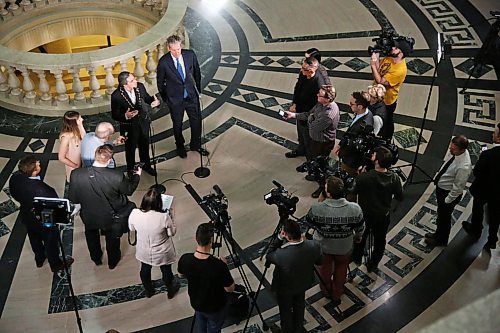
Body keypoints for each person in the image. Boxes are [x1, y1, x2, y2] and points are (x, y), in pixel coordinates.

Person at [69, 145, 140, 269]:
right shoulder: (116, 176)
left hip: (89, 215)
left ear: (95, 156)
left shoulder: (76, 174)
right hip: (111, 217)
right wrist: (137, 176)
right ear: (110, 160)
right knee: (112, 240)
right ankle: (112, 261)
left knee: (91, 237)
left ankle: (96, 258)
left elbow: (74, 198)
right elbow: (129, 190)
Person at [9, 155, 74, 272]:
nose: (40, 165)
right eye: (38, 165)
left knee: (34, 237)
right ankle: (55, 264)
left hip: (27, 215)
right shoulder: (43, 190)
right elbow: (55, 207)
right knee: (50, 241)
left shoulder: (15, 178)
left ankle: (39, 259)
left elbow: (14, 194)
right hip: (44, 219)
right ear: (34, 171)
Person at [307, 176, 364, 305]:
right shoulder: (355, 208)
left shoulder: (317, 208)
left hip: (324, 247)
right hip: (344, 246)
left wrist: (320, 202)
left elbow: (309, 223)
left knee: (325, 269)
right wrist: (358, 236)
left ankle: (326, 290)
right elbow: (360, 228)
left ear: (328, 193)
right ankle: (337, 292)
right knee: (342, 267)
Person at [351, 147, 403, 272]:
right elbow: (400, 196)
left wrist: (359, 177)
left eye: (374, 154)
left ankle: (357, 257)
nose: (372, 155)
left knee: (360, 237)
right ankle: (373, 263)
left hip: (365, 215)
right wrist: (391, 208)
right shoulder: (394, 178)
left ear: (377, 161)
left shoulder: (364, 178)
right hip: (382, 215)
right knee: (380, 240)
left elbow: (352, 192)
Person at [156, 35, 208, 159]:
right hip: (175, 100)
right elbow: (160, 83)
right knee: (177, 124)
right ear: (169, 48)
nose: (177, 52)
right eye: (174, 50)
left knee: (196, 121)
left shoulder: (190, 55)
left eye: (179, 49)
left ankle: (195, 144)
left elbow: (197, 73)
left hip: (191, 96)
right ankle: (180, 146)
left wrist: (197, 91)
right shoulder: (164, 62)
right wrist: (167, 99)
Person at [266, 219, 322, 333]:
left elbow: (269, 254)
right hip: (303, 282)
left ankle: (287, 330)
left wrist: (279, 238)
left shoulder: (281, 254)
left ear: (286, 235)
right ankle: (298, 328)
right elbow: (320, 262)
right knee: (299, 305)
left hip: (285, 288)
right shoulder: (314, 245)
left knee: (285, 310)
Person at [178, 223, 235, 333]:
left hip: (196, 303)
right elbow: (230, 288)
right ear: (211, 242)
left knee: (201, 324)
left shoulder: (185, 259)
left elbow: (180, 275)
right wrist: (223, 266)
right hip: (215, 307)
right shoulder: (218, 265)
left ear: (196, 238)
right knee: (214, 328)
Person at [128, 188, 180, 299]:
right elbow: (171, 233)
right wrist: (172, 218)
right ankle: (170, 291)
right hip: (162, 252)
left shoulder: (134, 213)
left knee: (145, 269)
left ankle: (148, 291)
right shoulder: (164, 217)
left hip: (144, 250)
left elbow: (131, 228)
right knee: (166, 270)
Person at [425, 135, 472, 247]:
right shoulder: (455, 153)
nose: (450, 150)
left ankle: (441, 240)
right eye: (450, 147)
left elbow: (458, 187)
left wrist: (447, 200)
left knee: (444, 218)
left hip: (448, 194)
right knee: (441, 215)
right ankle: (437, 234)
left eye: (453, 149)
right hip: (442, 189)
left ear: (462, 150)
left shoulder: (463, 166)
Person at [111, 71, 160, 176]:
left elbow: (147, 98)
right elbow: (114, 115)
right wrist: (126, 116)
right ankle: (131, 171)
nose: (136, 81)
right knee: (130, 149)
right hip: (129, 127)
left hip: (143, 122)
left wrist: (154, 102)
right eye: (132, 80)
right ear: (125, 84)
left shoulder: (140, 87)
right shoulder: (116, 95)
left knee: (144, 146)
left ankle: (146, 165)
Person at [462, 124, 500, 251]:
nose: (492, 135)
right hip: (498, 193)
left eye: (495, 133)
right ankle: (492, 240)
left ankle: (476, 229)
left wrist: (481, 157)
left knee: (478, 208)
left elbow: (477, 172)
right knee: (496, 215)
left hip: (484, 189)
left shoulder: (488, 154)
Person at [284, 85, 340, 172]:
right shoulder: (320, 104)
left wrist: (311, 118)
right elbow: (309, 114)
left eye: (320, 95)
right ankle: (310, 166)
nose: (317, 95)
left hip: (322, 142)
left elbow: (314, 127)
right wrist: (294, 115)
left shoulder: (328, 114)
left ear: (328, 99)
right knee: (311, 155)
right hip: (315, 139)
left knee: (318, 161)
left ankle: (316, 174)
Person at [285, 57, 327, 159]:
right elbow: (297, 87)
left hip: (309, 114)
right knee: (301, 132)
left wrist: (298, 108)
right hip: (299, 109)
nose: (301, 70)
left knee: (308, 136)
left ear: (311, 71)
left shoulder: (319, 83)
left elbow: (315, 103)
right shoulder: (303, 74)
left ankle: (310, 157)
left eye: (304, 69)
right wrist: (294, 103)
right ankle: (301, 149)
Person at [370, 39, 411, 139]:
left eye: (396, 48)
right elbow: (381, 70)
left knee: (387, 121)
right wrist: (376, 58)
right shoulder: (390, 58)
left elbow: (380, 80)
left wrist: (372, 65)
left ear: (401, 54)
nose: (392, 48)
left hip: (387, 101)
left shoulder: (400, 70)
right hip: (377, 96)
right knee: (374, 117)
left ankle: (387, 138)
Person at [335, 91, 374, 170]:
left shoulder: (364, 125)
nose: (350, 105)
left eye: (352, 104)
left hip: (351, 160)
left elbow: (354, 146)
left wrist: (341, 153)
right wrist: (340, 144)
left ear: (360, 106)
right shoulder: (365, 113)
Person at [58, 111, 86, 183]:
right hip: (73, 164)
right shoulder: (66, 138)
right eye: (79, 119)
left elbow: (84, 138)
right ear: (74, 123)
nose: (82, 119)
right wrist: (75, 166)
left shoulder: (77, 129)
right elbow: (61, 157)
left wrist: (80, 125)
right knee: (74, 180)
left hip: (80, 160)